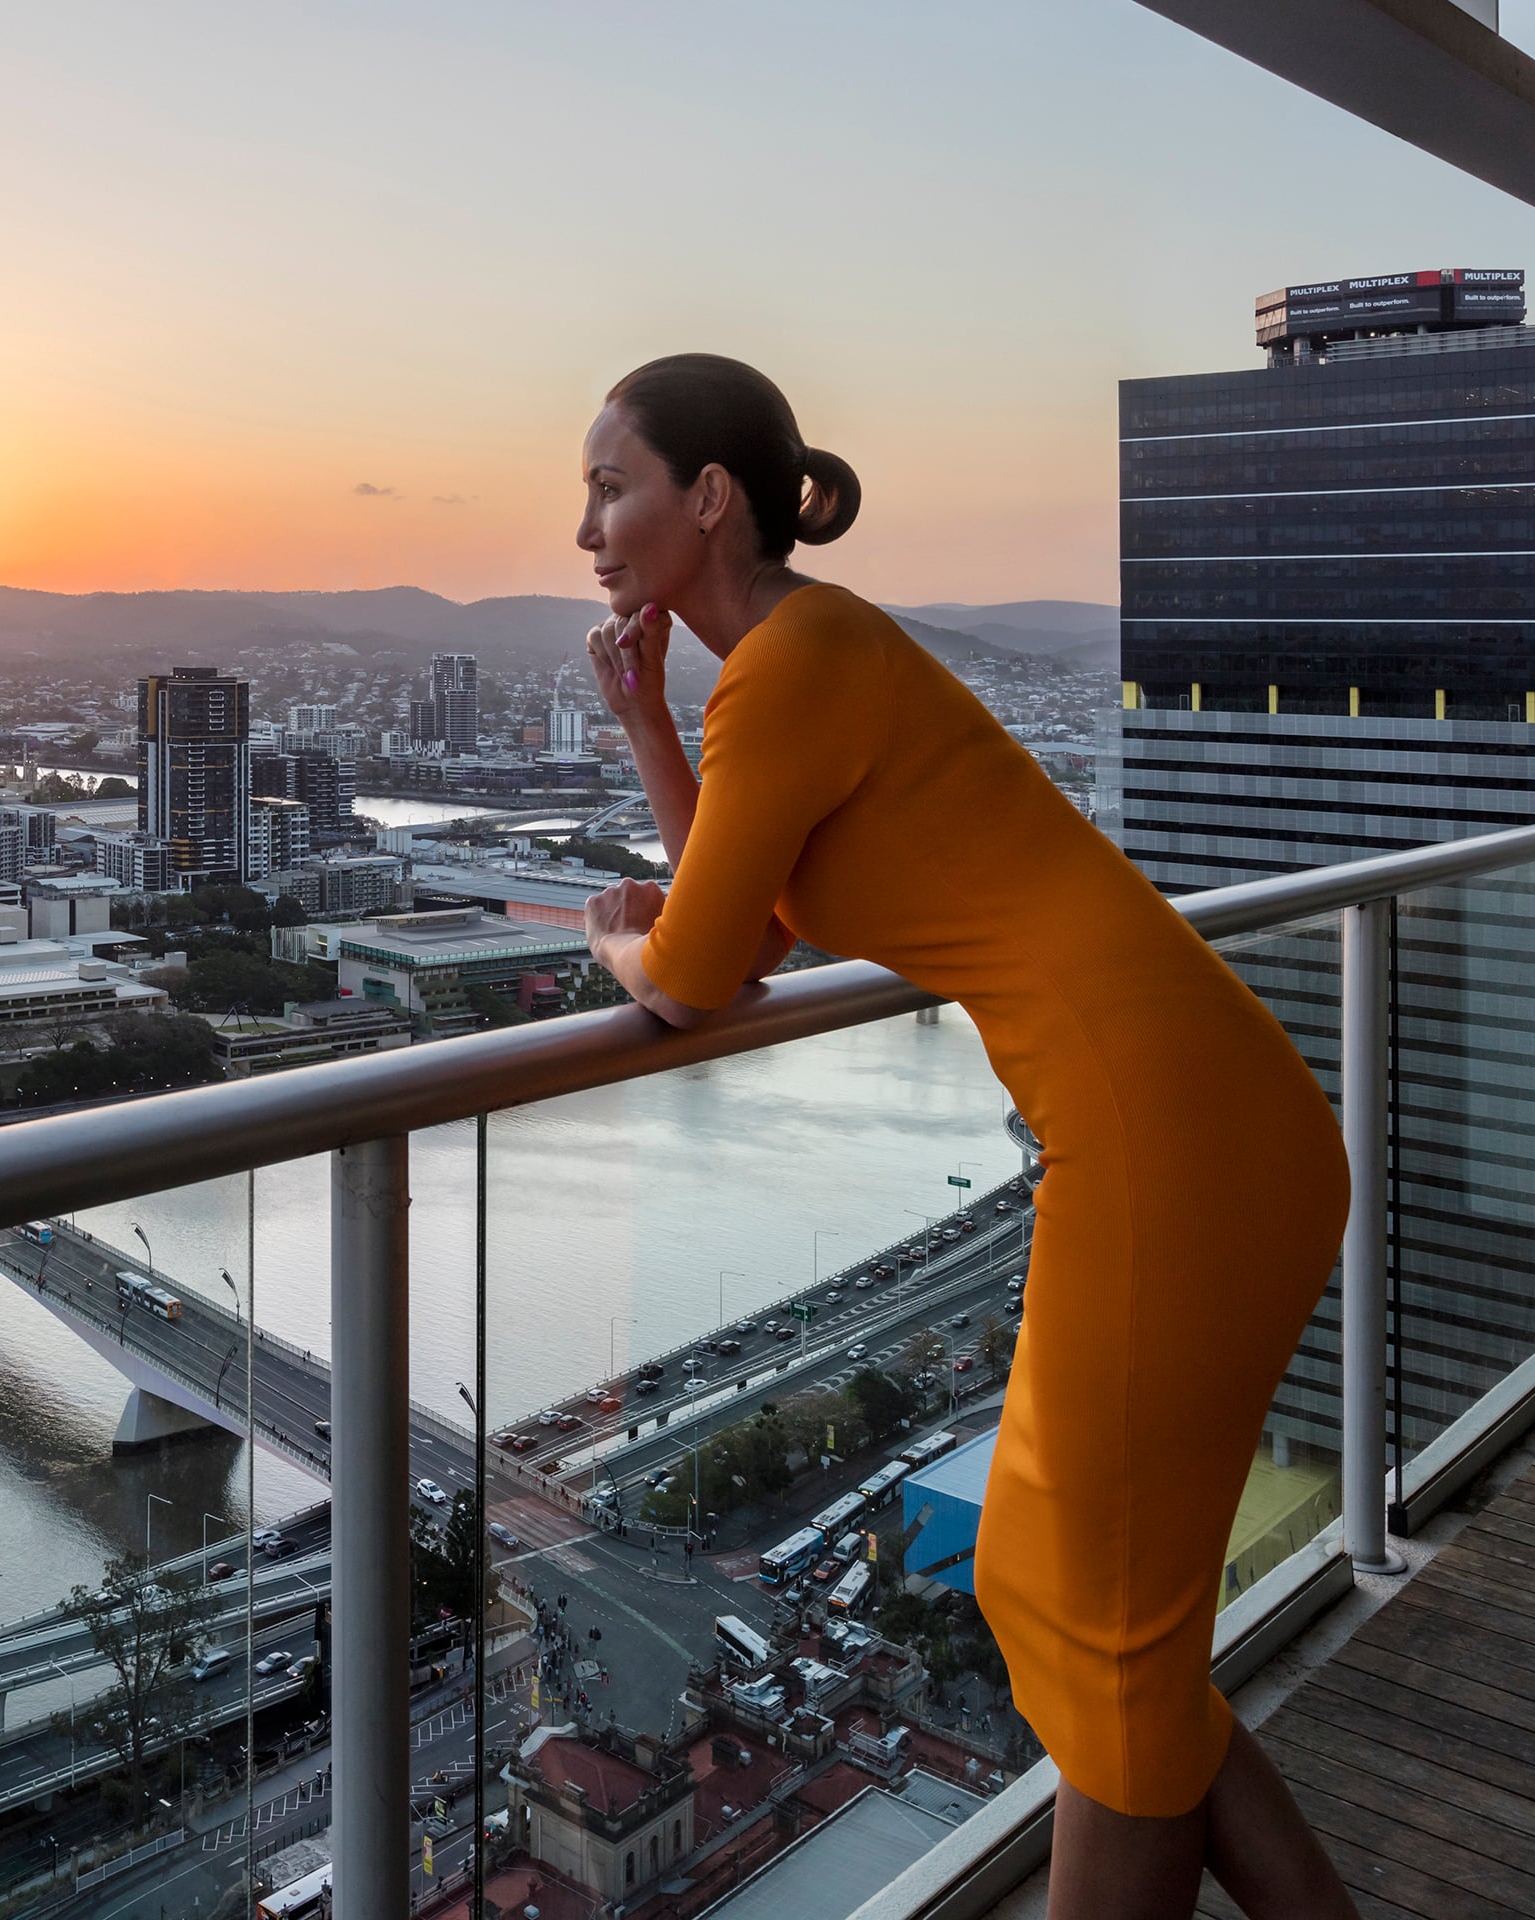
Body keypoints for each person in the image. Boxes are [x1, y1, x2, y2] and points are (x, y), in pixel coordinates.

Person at [572, 354, 1355, 1919]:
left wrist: (612, 944)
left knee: (1103, 1635)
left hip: (1164, 1131)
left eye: (611, 486)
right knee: (1052, 1602)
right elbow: (751, 908)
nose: (585, 527)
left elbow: (698, 968)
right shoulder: (790, 667)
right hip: (1178, 1110)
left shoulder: (799, 663)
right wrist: (650, 720)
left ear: (707, 498)